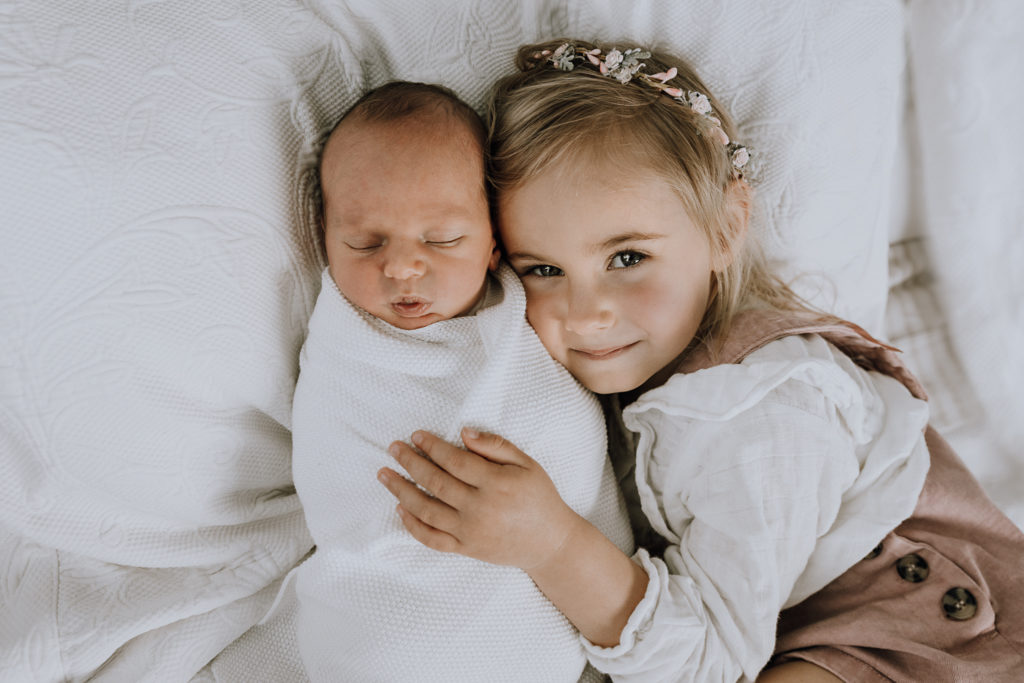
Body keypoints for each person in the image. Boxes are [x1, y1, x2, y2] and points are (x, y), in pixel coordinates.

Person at [377, 41, 1024, 681]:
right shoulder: (607, 379)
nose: (587, 311)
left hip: (934, 638)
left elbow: (710, 663)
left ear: (723, 228)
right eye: (543, 269)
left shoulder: (758, 410)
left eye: (627, 258)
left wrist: (550, 542)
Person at [290, 80, 632, 682]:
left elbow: (565, 424)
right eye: (364, 242)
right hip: (386, 637)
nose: (400, 268)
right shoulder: (345, 349)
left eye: (442, 240)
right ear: (324, 238)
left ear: (494, 243)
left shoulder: (529, 312)